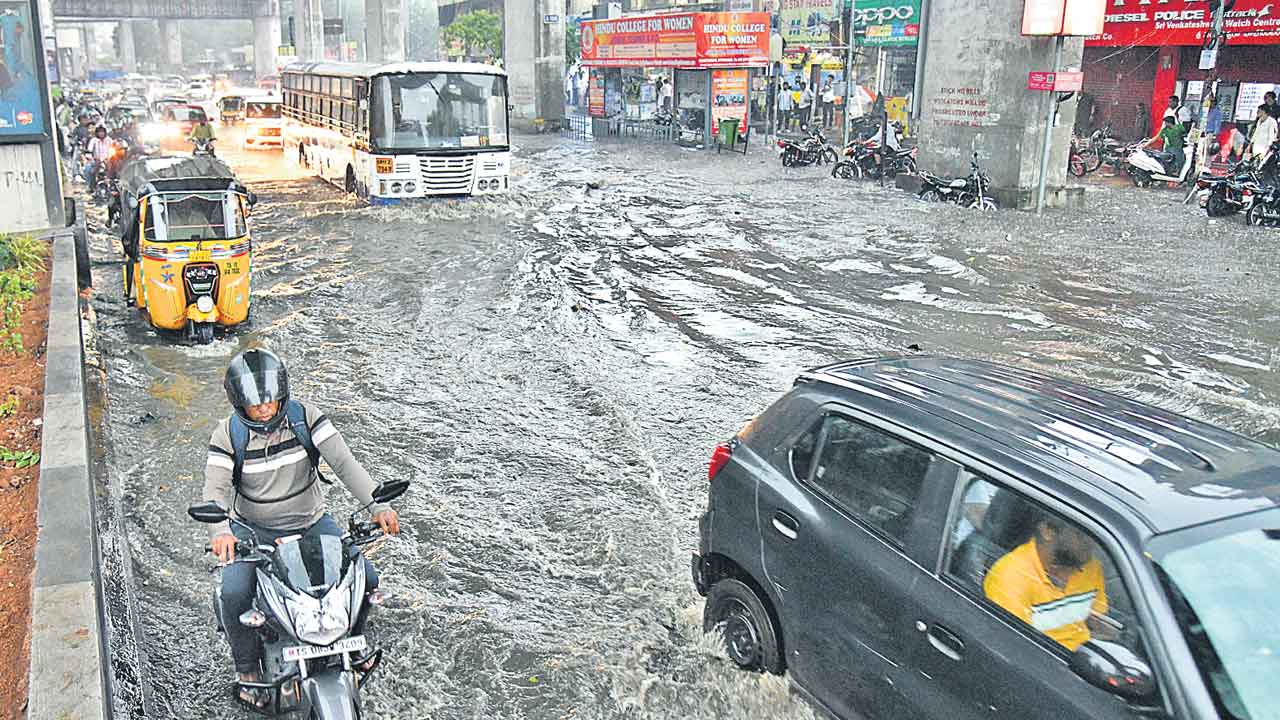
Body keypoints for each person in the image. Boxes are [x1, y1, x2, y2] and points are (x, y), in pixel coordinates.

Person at [202, 349, 400, 712]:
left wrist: (378, 506)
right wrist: (220, 531)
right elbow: (214, 490)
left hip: (312, 522)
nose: (263, 410)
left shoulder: (306, 418)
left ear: (283, 394)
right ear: (238, 404)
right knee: (234, 591)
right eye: (254, 406)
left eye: (270, 402)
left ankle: (353, 643)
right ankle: (247, 670)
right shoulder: (228, 434)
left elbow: (344, 463)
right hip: (253, 530)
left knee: (367, 578)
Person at [983, 513, 1108, 652]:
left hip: (1085, 658)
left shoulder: (1089, 566)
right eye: (1080, 534)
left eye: (1092, 535)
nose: (1091, 543)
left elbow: (1099, 622)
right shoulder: (1010, 576)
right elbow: (1014, 648)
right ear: (1048, 531)